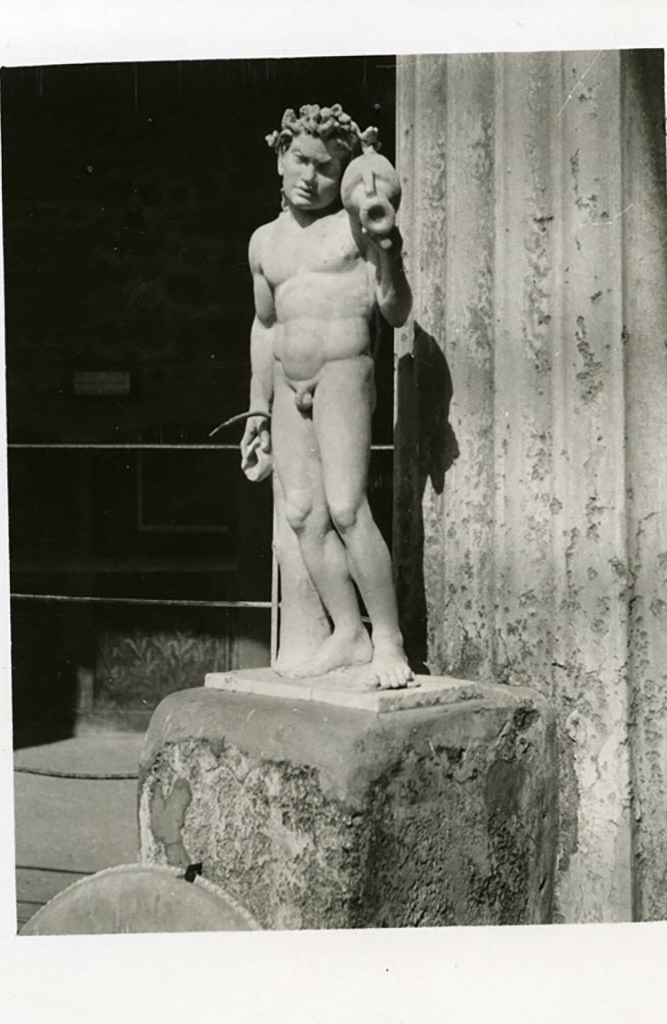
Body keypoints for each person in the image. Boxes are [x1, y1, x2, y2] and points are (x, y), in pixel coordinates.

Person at [240, 103, 413, 690]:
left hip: (343, 371)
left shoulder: (355, 227)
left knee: (347, 508)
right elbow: (265, 328)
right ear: (280, 158)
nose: (310, 176)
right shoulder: (263, 242)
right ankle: (349, 633)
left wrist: (388, 249)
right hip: (288, 384)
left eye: (324, 166)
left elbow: (395, 310)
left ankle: (388, 639)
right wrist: (258, 409)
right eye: (300, 160)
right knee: (301, 515)